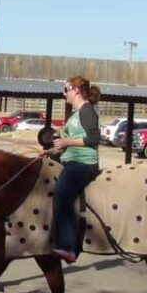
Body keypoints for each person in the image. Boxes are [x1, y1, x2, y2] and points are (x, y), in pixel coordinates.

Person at [47, 75, 101, 263]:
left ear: (76, 90)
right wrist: (55, 149)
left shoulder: (86, 110)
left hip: (84, 163)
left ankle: (68, 247)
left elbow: (94, 138)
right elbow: (70, 143)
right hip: (71, 159)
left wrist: (67, 141)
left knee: (61, 195)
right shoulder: (75, 114)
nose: (64, 94)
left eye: (66, 89)